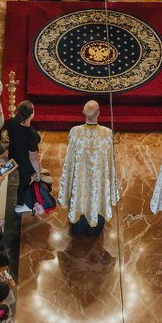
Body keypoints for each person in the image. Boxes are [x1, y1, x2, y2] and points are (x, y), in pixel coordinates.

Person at [57, 100, 118, 238]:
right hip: (98, 181)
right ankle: (95, 228)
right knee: (97, 199)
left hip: (80, 182)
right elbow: (110, 163)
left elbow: (69, 161)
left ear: (83, 112)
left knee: (80, 200)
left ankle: (79, 226)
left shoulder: (75, 132)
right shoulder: (107, 133)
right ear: (99, 113)